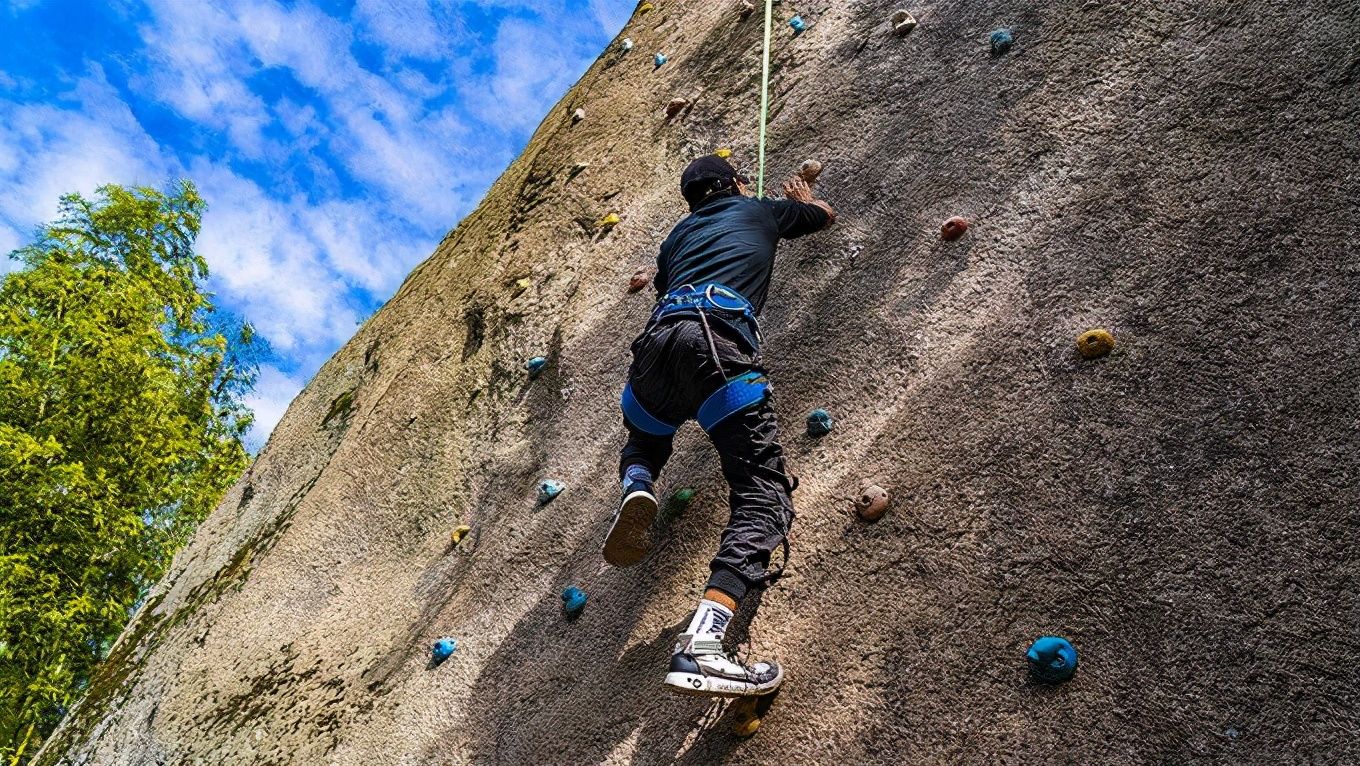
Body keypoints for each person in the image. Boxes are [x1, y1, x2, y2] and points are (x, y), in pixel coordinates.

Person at [604, 154, 836, 697]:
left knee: (645, 435)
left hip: (654, 351)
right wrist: (800, 204)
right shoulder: (758, 209)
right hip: (715, 341)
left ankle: (637, 487)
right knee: (762, 493)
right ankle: (704, 645)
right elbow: (824, 216)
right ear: (734, 184)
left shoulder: (675, 238)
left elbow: (665, 283)